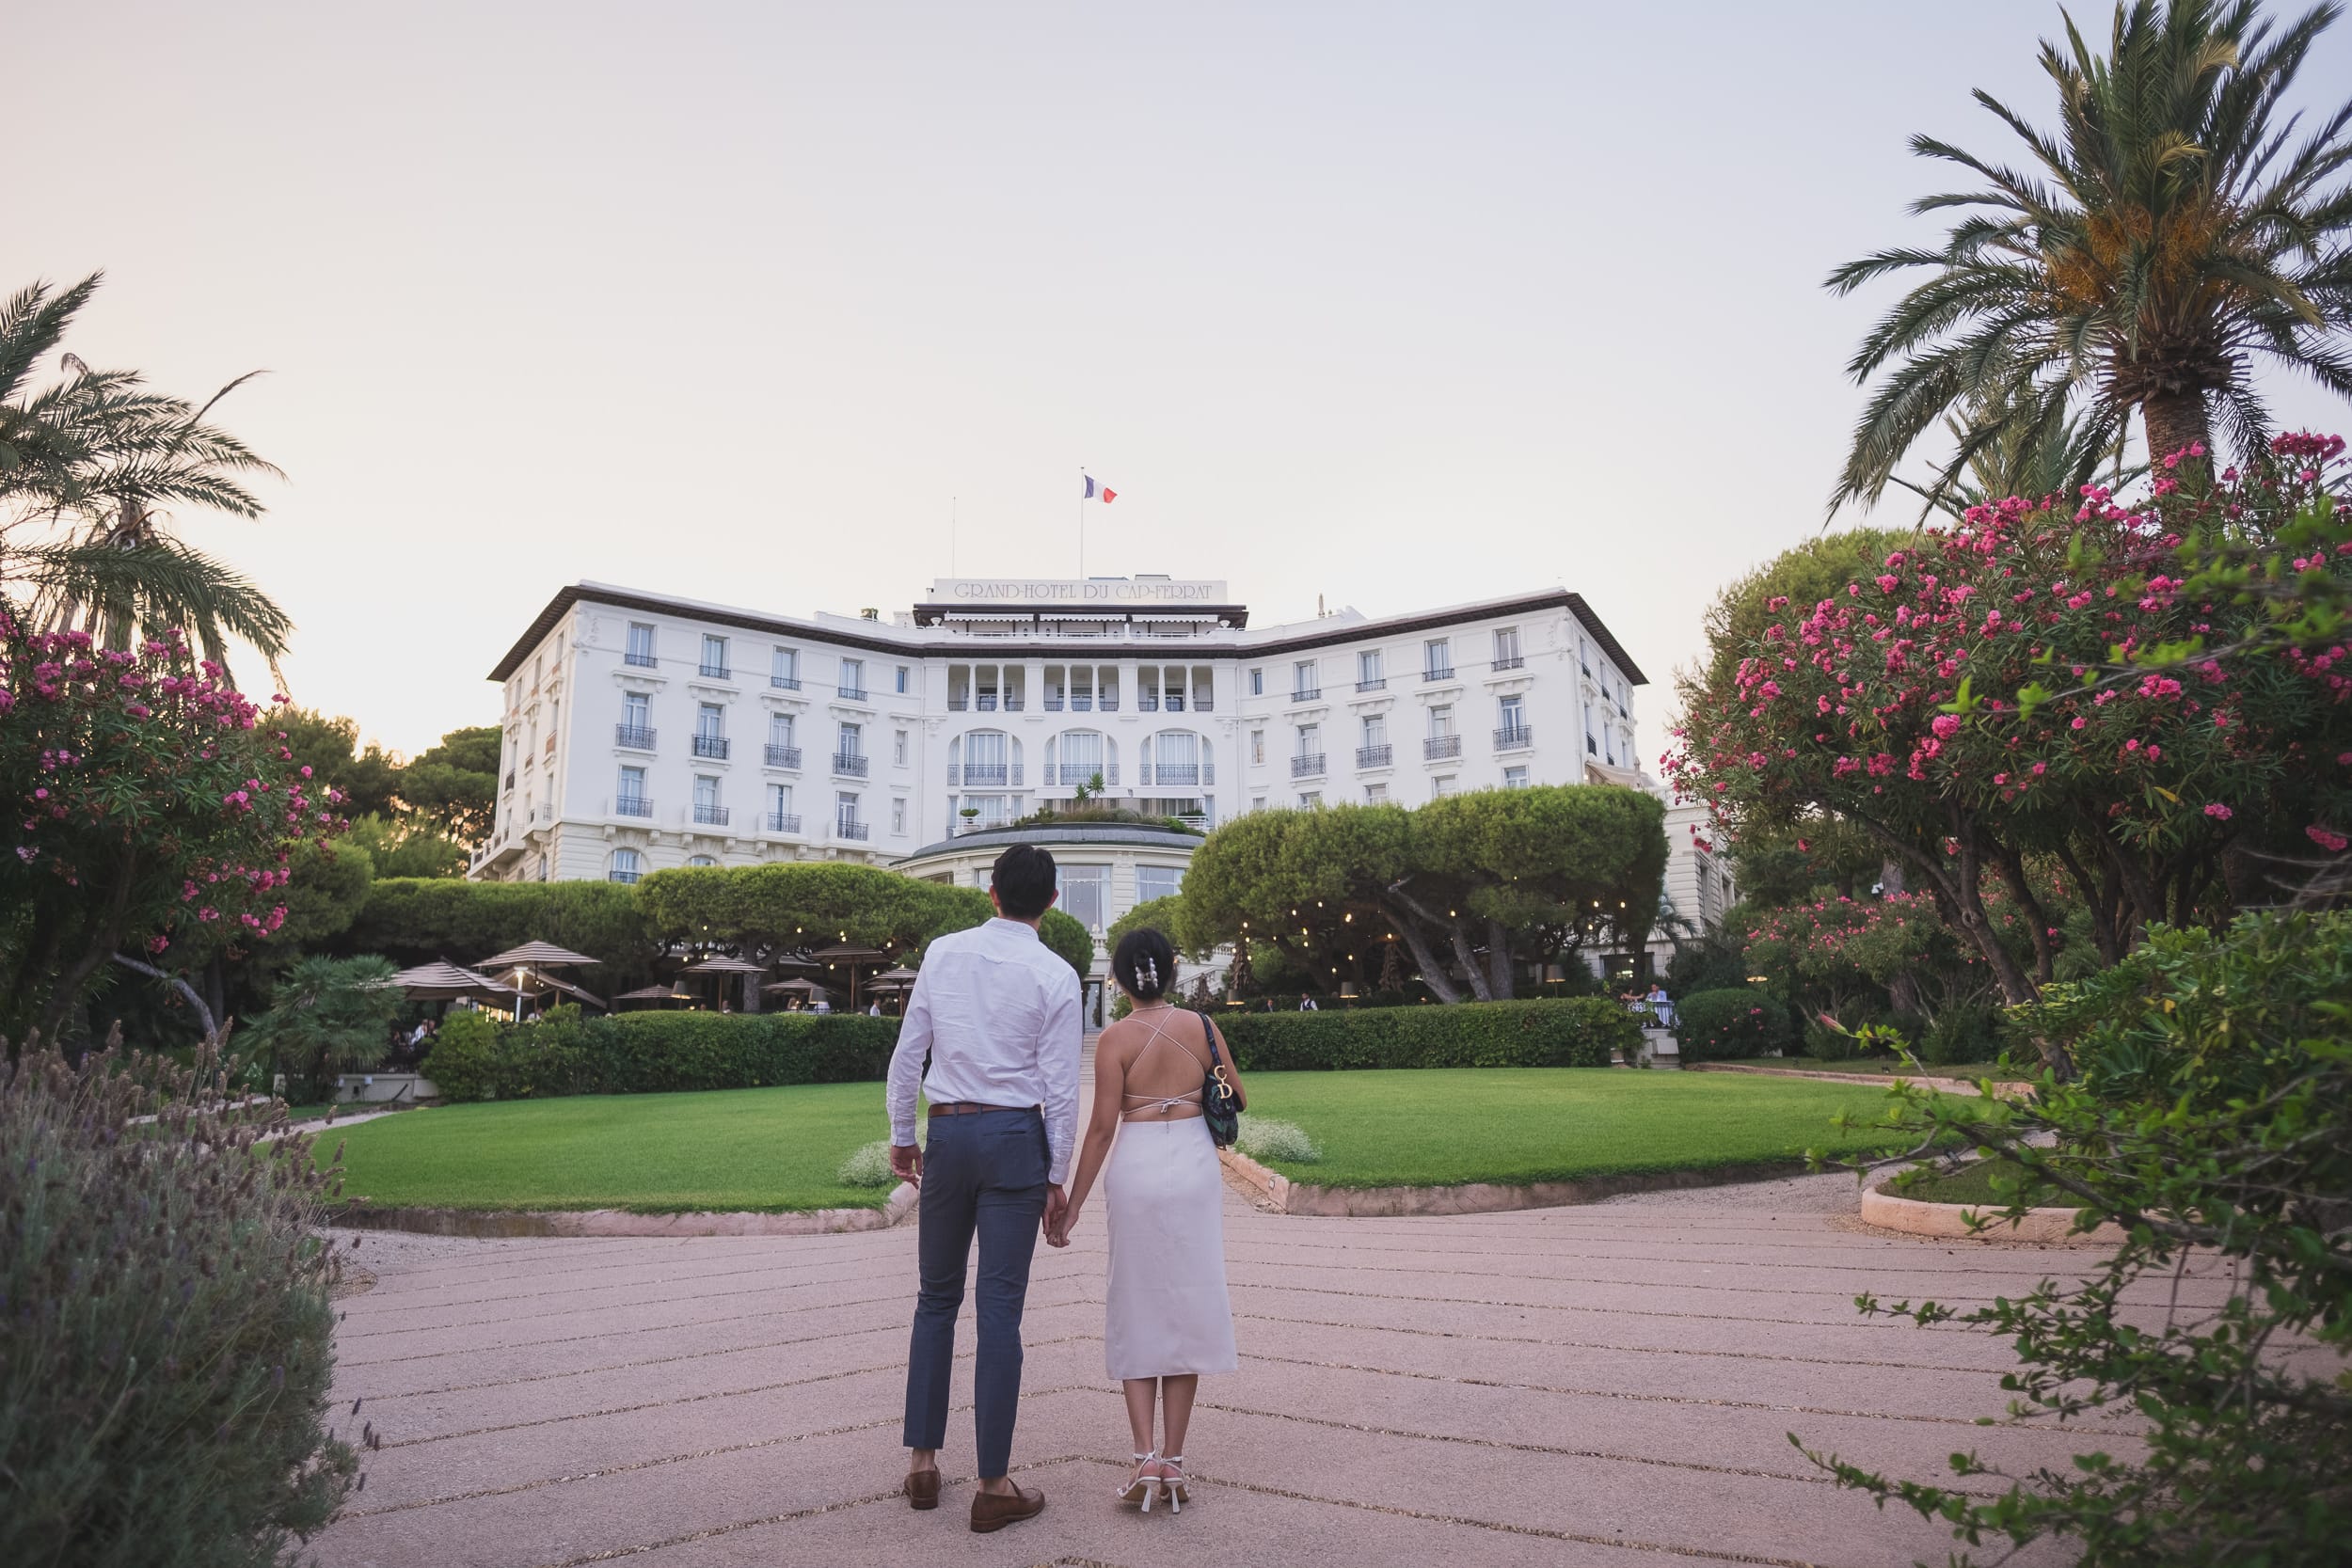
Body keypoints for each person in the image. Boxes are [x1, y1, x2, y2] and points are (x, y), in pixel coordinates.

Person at [885, 844, 1080, 1534]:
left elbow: (911, 1050)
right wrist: (1058, 1176)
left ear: (990, 891)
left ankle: (922, 1463)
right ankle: (994, 1482)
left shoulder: (943, 952)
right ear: (1053, 902)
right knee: (1000, 1309)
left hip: (950, 1131)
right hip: (1014, 1142)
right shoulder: (1056, 974)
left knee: (935, 1298)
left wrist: (902, 1132)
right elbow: (1061, 1088)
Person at [1051, 927, 1244, 1515]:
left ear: (1118, 981)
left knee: (1136, 1302)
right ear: (1172, 970)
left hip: (1135, 1165)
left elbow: (1103, 1128)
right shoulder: (1203, 1028)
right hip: (1191, 1164)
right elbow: (1235, 1094)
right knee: (1185, 1301)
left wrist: (1073, 1202)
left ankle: (1142, 1458)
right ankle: (1176, 1463)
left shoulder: (1114, 1038)